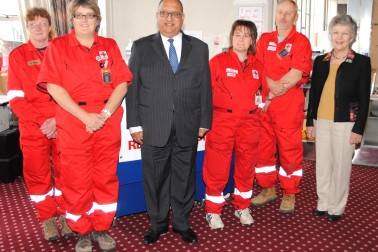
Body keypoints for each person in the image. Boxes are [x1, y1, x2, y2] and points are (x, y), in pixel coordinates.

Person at [37, 0, 133, 251]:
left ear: (97, 20)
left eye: (90, 15)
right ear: (71, 19)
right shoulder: (58, 46)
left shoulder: (109, 46)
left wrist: (103, 114)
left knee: (105, 178)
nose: (84, 20)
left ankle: (101, 228)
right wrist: (85, 117)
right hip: (73, 121)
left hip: (107, 119)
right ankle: (81, 230)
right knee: (76, 180)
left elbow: (121, 83)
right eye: (79, 15)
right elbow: (53, 86)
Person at [126, 0, 212, 245]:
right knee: (155, 178)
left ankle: (183, 224)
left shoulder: (199, 48)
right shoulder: (142, 47)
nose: (169, 18)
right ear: (157, 16)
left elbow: (205, 87)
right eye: (164, 13)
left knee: (185, 177)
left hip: (188, 124)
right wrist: (134, 124)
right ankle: (158, 223)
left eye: (174, 13)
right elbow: (134, 88)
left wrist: (205, 120)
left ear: (183, 17)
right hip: (153, 125)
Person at [7, 7, 74, 241]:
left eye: (42, 23)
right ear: (27, 27)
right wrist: (42, 121)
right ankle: (47, 218)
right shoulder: (17, 55)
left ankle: (66, 214)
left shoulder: (62, 51)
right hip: (32, 125)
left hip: (63, 121)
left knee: (67, 172)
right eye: (33, 23)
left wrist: (57, 119)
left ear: (49, 26)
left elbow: (72, 91)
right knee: (37, 174)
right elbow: (15, 97)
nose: (38, 28)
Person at [306, 14, 371, 222]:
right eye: (336, 32)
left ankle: (336, 206)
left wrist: (358, 129)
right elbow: (314, 93)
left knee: (341, 166)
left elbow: (363, 97)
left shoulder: (361, 62)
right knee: (322, 164)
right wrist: (309, 121)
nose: (340, 37)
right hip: (321, 120)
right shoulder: (321, 61)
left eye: (345, 33)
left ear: (352, 36)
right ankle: (323, 202)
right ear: (330, 34)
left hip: (346, 122)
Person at [251, 0, 312, 214]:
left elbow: (297, 73)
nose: (283, 17)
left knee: (290, 150)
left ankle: (289, 193)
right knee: (263, 149)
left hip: (287, 102)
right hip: (264, 105)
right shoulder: (265, 39)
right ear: (275, 15)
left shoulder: (301, 41)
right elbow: (257, 67)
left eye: (288, 13)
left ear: (296, 17)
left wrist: (274, 90)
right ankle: (268, 188)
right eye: (280, 12)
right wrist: (269, 91)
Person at [203, 20, 263, 230]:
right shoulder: (218, 61)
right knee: (216, 168)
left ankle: (242, 206)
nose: (241, 39)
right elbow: (204, 94)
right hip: (222, 122)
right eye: (238, 34)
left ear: (252, 40)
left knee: (246, 167)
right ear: (231, 37)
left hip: (249, 123)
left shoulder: (258, 65)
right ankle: (213, 211)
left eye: (247, 36)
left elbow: (262, 96)